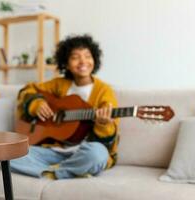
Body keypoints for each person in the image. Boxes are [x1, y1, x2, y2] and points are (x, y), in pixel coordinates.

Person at [10, 34, 119, 179]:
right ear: (66, 64)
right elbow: (27, 90)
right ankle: (74, 171)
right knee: (11, 154)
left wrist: (103, 125)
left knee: (98, 155)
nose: (83, 61)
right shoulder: (59, 84)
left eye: (88, 56)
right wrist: (37, 104)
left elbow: (108, 139)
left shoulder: (104, 91)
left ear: (94, 60)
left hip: (84, 151)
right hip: (52, 152)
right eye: (75, 57)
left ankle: (54, 173)